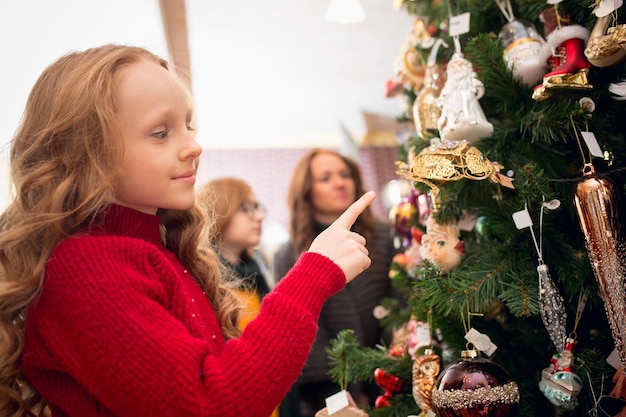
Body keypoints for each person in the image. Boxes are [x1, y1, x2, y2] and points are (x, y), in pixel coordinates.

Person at [0, 44, 376, 417]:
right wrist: (313, 275)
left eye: (188, 126)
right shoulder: (83, 267)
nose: (194, 146)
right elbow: (210, 404)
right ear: (87, 151)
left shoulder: (151, 251)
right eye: (161, 133)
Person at [274, 148, 400, 416]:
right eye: (326, 178)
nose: (340, 183)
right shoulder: (290, 254)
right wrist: (338, 396)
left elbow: (398, 303)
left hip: (392, 379)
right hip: (328, 393)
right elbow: (304, 329)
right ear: (307, 191)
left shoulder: (382, 236)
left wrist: (388, 373)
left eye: (345, 175)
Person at [196, 177, 272, 330]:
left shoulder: (255, 274)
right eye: (246, 208)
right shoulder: (202, 278)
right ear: (219, 212)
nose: (259, 217)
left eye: (257, 207)